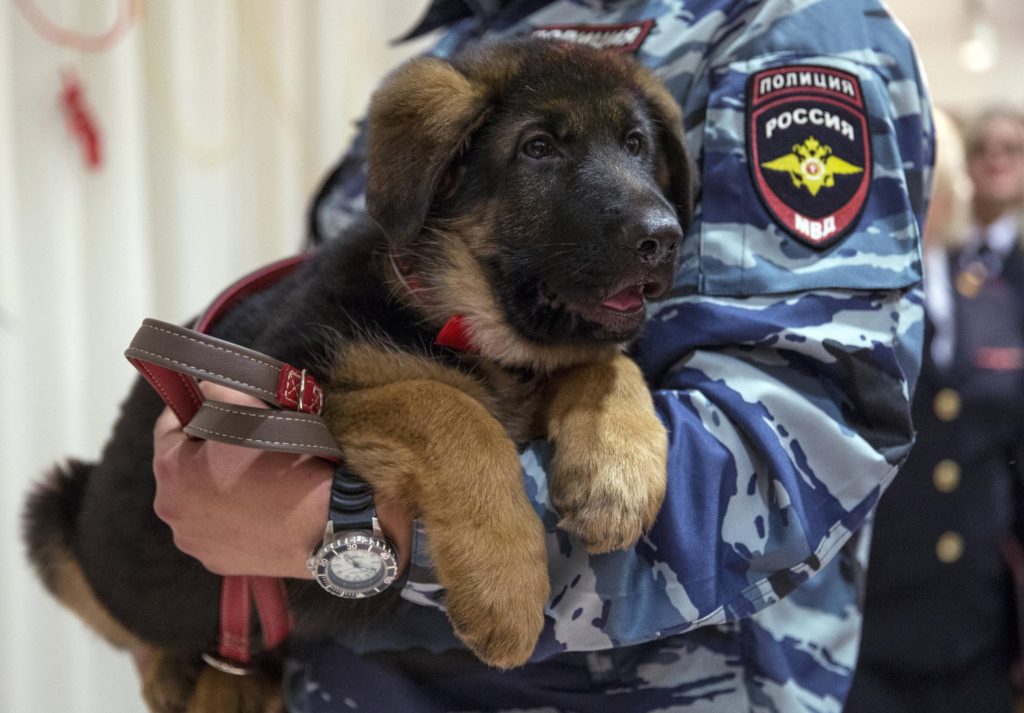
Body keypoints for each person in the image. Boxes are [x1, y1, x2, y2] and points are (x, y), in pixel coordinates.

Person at [151, 1, 934, 711]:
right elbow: (347, 334)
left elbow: (802, 445)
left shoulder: (782, 31)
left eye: (636, 148)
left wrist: (358, 531)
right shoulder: (462, 45)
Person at [845, 106, 1024, 713]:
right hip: (871, 628)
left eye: (929, 182)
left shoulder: (997, 297)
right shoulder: (847, 315)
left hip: (980, 628)